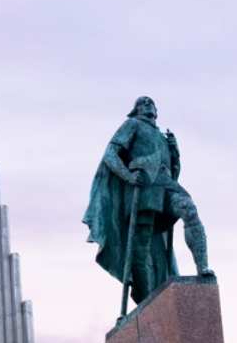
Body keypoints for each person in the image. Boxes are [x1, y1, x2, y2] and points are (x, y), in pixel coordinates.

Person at [83, 96, 211, 307]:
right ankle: (148, 299)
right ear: (136, 109)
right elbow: (111, 154)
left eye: (151, 102)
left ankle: (203, 267)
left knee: (189, 209)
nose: (148, 104)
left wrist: (175, 153)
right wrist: (128, 176)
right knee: (141, 246)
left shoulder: (162, 136)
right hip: (144, 188)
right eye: (143, 102)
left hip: (165, 183)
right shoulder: (132, 124)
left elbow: (173, 171)